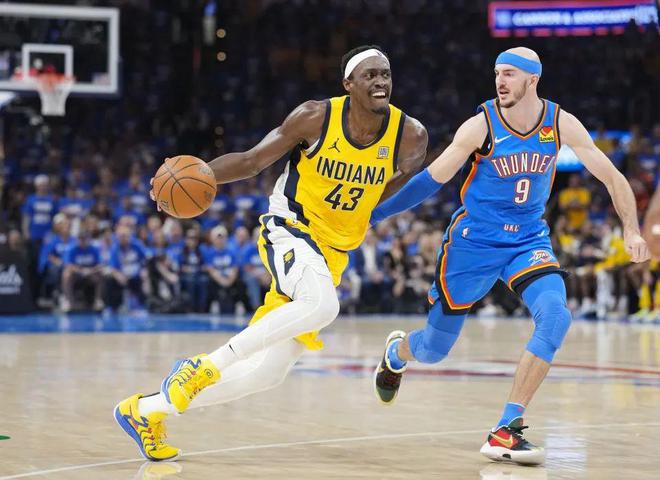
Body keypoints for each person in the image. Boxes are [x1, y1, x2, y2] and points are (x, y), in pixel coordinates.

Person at [114, 45, 428, 461]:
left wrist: (363, 208)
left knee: (267, 374)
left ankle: (145, 411)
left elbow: (398, 185)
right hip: (291, 228)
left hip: (334, 251)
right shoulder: (316, 117)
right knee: (323, 305)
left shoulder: (410, 135)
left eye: (385, 74)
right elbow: (252, 161)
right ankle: (202, 367)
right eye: (370, 74)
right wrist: (198, 175)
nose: (380, 81)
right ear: (348, 84)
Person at [370, 47, 649, 466]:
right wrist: (374, 214)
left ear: (533, 79)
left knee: (556, 317)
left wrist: (631, 228)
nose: (500, 81)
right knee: (433, 349)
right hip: (474, 242)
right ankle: (396, 353)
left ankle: (506, 428)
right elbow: (431, 179)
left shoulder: (560, 122)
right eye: (497, 73)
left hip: (528, 240)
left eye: (510, 74)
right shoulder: (480, 125)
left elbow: (612, 176)